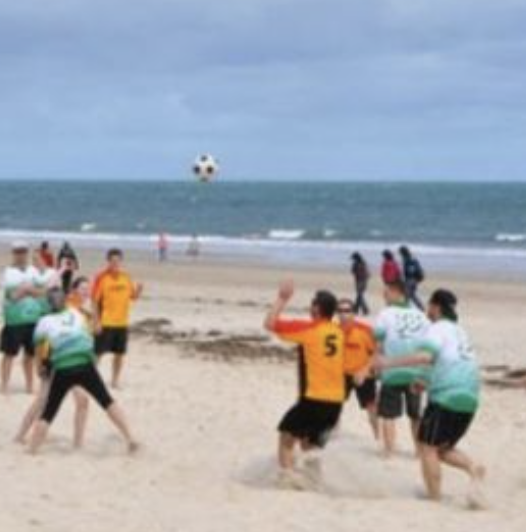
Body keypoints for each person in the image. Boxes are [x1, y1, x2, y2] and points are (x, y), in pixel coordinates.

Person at [375, 289, 485, 505]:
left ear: (436, 307)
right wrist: (423, 380)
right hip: (470, 398)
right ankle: (473, 467)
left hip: (446, 398)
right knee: (442, 449)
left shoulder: (437, 328)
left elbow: (425, 356)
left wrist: (388, 362)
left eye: (429, 305)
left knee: (427, 447)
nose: (426, 309)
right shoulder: (459, 331)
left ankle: (434, 497)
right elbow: (444, 361)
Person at [27, 288, 138, 454]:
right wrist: (90, 357)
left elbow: (38, 348)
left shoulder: (44, 321)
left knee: (49, 412)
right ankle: (131, 438)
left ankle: (32, 450)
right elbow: (88, 337)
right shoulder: (76, 313)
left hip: (63, 367)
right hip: (85, 364)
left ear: (48, 305)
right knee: (107, 401)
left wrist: (38, 367)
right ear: (65, 301)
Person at [264, 280, 345, 488]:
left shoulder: (310, 329)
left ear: (316, 309)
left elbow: (270, 324)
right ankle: (315, 480)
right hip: (336, 402)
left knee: (286, 436)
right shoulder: (338, 332)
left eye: (312, 304)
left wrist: (282, 299)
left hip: (314, 398)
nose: (310, 307)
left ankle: (287, 479)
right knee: (310, 445)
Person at [374, 279, 430, 458]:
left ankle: (389, 451)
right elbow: (427, 346)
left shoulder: (385, 314)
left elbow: (378, 343)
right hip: (416, 372)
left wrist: (377, 365)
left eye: (386, 292)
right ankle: (419, 451)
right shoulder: (420, 314)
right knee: (415, 415)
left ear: (397, 292)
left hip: (392, 371)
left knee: (388, 415)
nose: (384, 295)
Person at [92, 249, 143, 389]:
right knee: (98, 353)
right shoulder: (101, 277)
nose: (115, 263)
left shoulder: (126, 277)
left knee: (119, 354)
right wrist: (96, 322)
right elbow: (94, 301)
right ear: (108, 261)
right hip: (106, 322)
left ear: (121, 261)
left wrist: (139, 290)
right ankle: (90, 380)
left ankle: (115, 381)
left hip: (122, 322)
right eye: (112, 261)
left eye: (118, 261)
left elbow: (133, 297)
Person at [1, 241, 45, 394]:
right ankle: (4, 386)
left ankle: (29, 386)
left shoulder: (33, 271)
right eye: (18, 252)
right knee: (9, 354)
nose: (21, 255)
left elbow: (42, 292)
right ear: (13, 253)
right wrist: (26, 290)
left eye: (23, 251)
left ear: (27, 253)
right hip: (14, 320)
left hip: (33, 320)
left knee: (30, 356)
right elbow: (10, 297)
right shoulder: (7, 273)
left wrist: (26, 290)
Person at [337, 298, 379, 440]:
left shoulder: (365, 330)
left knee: (372, 408)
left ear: (353, 313)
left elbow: (377, 352)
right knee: (334, 406)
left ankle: (378, 438)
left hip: (363, 375)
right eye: (340, 311)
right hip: (341, 374)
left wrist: (367, 370)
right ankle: (333, 436)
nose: (343, 314)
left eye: (347, 311)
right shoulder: (334, 330)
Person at [399, 246, 425, 310]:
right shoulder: (413, 259)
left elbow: (408, 271)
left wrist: (405, 279)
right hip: (415, 279)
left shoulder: (407, 260)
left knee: (407, 295)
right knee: (412, 295)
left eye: (400, 253)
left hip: (410, 280)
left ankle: (406, 308)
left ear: (402, 253)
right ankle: (420, 307)